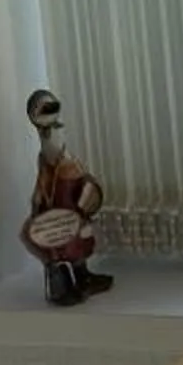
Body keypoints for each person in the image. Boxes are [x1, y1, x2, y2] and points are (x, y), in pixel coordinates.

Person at [20, 88, 114, 307]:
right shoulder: (46, 148)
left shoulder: (56, 135)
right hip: (61, 195)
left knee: (78, 237)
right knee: (60, 242)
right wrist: (38, 201)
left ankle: (82, 277)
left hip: (71, 190)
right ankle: (60, 287)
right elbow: (47, 170)